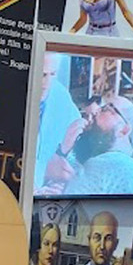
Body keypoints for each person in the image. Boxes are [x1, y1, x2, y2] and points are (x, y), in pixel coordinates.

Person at [53, 100, 133, 196]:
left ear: (124, 130)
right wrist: (64, 150)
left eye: (106, 109)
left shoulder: (110, 166)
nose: (95, 111)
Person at [35, 52, 82, 193]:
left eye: (53, 74)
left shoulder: (60, 95)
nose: (47, 84)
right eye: (42, 74)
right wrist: (44, 172)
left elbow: (72, 158)